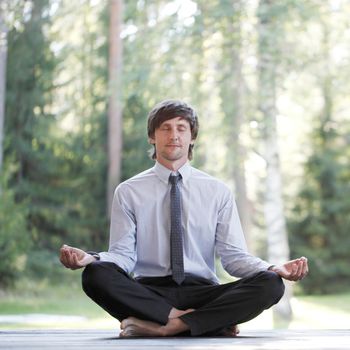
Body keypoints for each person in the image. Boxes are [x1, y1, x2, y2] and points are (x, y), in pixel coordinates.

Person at [60, 99, 308, 337]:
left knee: (271, 284)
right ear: (152, 136)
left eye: (181, 128)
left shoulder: (217, 191)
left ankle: (166, 327)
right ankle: (204, 322)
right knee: (94, 275)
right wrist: (90, 258)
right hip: (150, 294)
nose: (174, 135)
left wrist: (273, 268)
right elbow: (123, 256)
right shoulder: (128, 191)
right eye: (165, 128)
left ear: (192, 137)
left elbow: (233, 258)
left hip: (203, 292)